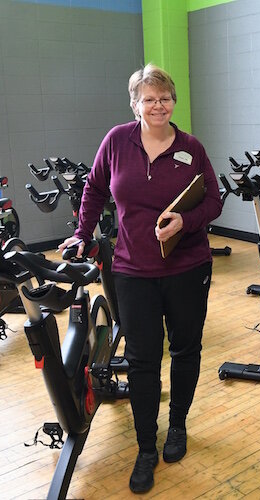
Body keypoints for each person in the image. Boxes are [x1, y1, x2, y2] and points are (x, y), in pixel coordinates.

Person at [59, 63, 223, 494]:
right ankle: (146, 447)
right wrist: (81, 234)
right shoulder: (117, 141)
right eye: (148, 98)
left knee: (186, 349)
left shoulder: (192, 147)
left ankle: (178, 428)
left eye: (164, 97)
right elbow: (94, 189)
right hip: (132, 270)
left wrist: (185, 222)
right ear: (135, 104)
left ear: (173, 101)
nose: (158, 105)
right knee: (142, 360)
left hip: (188, 267)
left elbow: (214, 203)